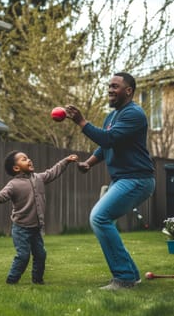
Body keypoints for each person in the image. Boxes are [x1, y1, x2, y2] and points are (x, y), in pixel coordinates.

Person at [65, 72, 155, 290]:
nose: (110, 90)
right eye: (109, 86)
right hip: (123, 179)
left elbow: (109, 138)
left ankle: (124, 278)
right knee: (103, 219)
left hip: (137, 179)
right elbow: (105, 146)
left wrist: (81, 121)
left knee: (99, 217)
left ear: (128, 91)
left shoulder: (134, 114)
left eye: (115, 86)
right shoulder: (111, 117)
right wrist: (89, 163)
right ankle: (131, 274)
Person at [0, 151, 78, 285]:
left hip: (36, 228)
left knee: (41, 255)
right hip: (21, 228)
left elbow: (53, 172)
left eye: (28, 158)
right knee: (23, 256)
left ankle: (38, 280)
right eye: (24, 159)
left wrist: (66, 161)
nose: (29, 160)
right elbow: (2, 197)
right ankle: (11, 280)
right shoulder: (13, 184)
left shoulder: (38, 178)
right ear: (16, 168)